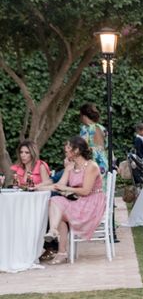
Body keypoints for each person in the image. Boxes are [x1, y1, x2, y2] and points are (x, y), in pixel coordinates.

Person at [43, 136, 106, 265]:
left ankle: (61, 250)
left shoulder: (91, 166)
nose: (65, 149)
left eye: (68, 147)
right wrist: (37, 188)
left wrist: (67, 188)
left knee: (57, 207)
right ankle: (54, 233)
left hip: (91, 205)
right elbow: (58, 185)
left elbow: (86, 191)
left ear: (76, 150)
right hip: (79, 203)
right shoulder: (70, 167)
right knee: (55, 201)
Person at [79, 103, 109, 175]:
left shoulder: (85, 129)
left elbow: (83, 148)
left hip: (92, 163)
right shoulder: (103, 128)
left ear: (84, 116)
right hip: (105, 163)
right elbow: (107, 147)